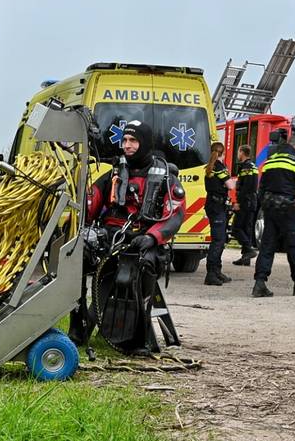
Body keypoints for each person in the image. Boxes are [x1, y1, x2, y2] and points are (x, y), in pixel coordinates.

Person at [71, 120, 185, 348]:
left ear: (144, 142)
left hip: (144, 240)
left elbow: (175, 214)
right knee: (76, 257)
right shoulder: (115, 172)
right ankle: (78, 327)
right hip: (111, 236)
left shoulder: (164, 177)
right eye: (124, 140)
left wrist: (152, 237)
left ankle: (136, 337)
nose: (127, 145)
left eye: (133, 140)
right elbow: (90, 204)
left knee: (145, 264)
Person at [253, 134, 295, 298]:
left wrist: (266, 204)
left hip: (270, 208)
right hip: (288, 209)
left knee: (267, 246)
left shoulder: (271, 160)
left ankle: (259, 283)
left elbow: (262, 187)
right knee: (293, 247)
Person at [203, 141, 233, 286]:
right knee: (218, 241)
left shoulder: (209, 167)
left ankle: (216, 271)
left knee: (219, 239)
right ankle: (211, 274)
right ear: (223, 153)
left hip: (212, 205)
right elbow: (230, 185)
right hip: (217, 206)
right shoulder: (219, 167)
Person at [230, 144, 258, 266]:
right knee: (247, 228)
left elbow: (245, 187)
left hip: (245, 202)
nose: (237, 154)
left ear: (242, 152)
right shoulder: (253, 166)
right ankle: (246, 258)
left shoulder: (245, 167)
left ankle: (249, 250)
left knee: (236, 228)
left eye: (238, 151)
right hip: (252, 201)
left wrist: (238, 202)